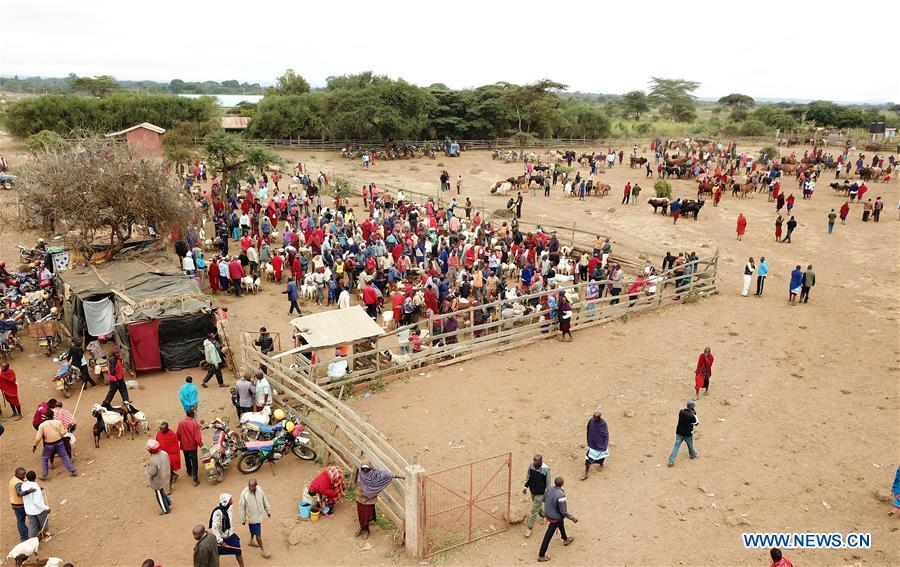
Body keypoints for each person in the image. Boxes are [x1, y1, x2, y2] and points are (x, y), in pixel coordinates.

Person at [355, 461, 404, 539]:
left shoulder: (376, 474)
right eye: (363, 469)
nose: (365, 470)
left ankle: (366, 530)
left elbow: (389, 474)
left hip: (369, 499)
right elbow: (359, 482)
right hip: (361, 496)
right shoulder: (361, 473)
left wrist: (401, 476)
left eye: (367, 469)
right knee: (360, 513)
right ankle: (362, 527)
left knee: (366, 514)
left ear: (371, 468)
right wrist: (361, 490)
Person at [537, 477, 577, 562]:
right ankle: (541, 555)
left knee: (560, 524)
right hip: (555, 517)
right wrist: (572, 518)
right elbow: (563, 511)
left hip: (548, 513)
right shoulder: (561, 494)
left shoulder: (549, 488)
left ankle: (565, 539)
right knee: (548, 536)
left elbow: (544, 499)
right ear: (562, 484)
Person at [33, 409, 76, 478]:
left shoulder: (42, 425)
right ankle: (72, 470)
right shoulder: (58, 422)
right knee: (65, 456)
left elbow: (38, 438)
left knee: (44, 458)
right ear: (53, 416)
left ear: (46, 417)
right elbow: (62, 433)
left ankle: (44, 474)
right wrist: (67, 429)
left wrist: (35, 445)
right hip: (59, 442)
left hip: (49, 445)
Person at [238, 479, 271, 558]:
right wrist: (242, 519)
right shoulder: (244, 493)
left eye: (253, 486)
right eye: (250, 486)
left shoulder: (259, 490)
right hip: (252, 517)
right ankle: (263, 550)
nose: (251, 488)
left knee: (253, 530)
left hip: (258, 515)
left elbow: (264, 500)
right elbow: (241, 507)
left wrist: (268, 511)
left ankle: (251, 541)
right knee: (258, 534)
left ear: (256, 485)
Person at [210, 493, 244, 567]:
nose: (232, 500)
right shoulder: (217, 513)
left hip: (230, 534)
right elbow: (214, 529)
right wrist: (221, 542)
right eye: (230, 499)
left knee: (238, 549)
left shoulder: (230, 507)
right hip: (220, 537)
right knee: (217, 552)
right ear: (226, 502)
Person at [522, 454, 551, 538]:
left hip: (540, 493)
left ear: (540, 461)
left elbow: (548, 484)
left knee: (534, 511)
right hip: (532, 491)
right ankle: (545, 515)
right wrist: (525, 486)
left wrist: (546, 495)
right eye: (533, 460)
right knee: (537, 506)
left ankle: (529, 528)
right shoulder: (531, 466)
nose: (534, 462)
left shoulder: (546, 470)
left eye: (536, 461)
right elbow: (528, 476)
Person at [667, 401, 699, 466]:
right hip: (687, 434)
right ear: (692, 408)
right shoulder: (691, 416)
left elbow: (685, 412)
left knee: (676, 447)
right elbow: (696, 423)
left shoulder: (681, 412)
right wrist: (695, 414)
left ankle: (671, 461)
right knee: (690, 445)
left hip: (679, 432)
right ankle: (692, 455)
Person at [20, 471, 49, 539]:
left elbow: (29, 494)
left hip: (29, 510)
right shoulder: (36, 488)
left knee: (32, 524)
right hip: (38, 510)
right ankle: (44, 535)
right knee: (44, 522)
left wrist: (39, 489)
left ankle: (31, 539)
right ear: (35, 477)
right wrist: (46, 508)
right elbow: (37, 502)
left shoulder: (23, 485)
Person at [146, 439, 172, 515]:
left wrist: (148, 468)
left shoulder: (153, 460)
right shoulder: (164, 453)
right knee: (162, 491)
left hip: (158, 480)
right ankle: (168, 501)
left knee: (159, 494)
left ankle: (165, 509)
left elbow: (152, 472)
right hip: (166, 475)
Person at [178, 410, 203, 486]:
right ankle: (195, 478)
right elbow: (197, 437)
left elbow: (178, 434)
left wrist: (182, 440)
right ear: (192, 415)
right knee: (194, 461)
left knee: (187, 459)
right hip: (192, 446)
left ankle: (189, 471)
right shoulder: (195, 424)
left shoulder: (181, 423)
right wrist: (201, 445)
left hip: (184, 445)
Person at [582, 411, 609, 480]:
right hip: (592, 444)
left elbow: (606, 435)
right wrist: (589, 439)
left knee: (601, 456)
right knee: (588, 460)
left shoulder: (603, 424)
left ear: (599, 418)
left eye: (595, 418)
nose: (593, 419)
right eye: (593, 417)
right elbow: (588, 429)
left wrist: (604, 446)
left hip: (600, 445)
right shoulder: (591, 421)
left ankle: (601, 464)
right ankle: (586, 473)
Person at [156, 422, 181, 493]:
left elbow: (175, 446)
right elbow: (157, 442)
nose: (161, 431)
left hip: (171, 455)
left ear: (167, 429)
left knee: (168, 472)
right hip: (162, 454)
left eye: (162, 430)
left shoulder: (172, 434)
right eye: (160, 429)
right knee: (166, 470)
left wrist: (171, 457)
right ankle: (174, 475)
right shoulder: (158, 433)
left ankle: (169, 488)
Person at [9, 467, 28, 542]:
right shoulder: (18, 483)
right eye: (22, 475)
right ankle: (28, 534)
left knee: (20, 520)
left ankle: (23, 537)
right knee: (33, 518)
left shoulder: (13, 479)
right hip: (20, 504)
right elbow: (19, 493)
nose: (24, 476)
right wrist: (28, 491)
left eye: (24, 474)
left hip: (14, 503)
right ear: (16, 474)